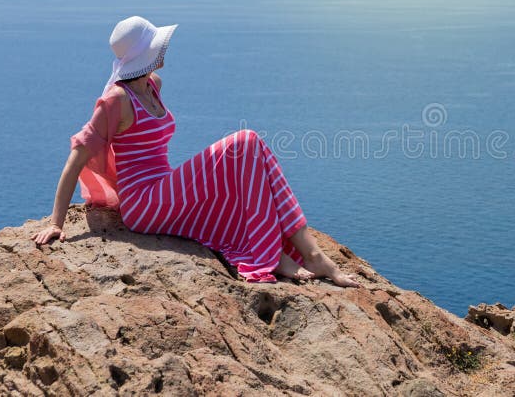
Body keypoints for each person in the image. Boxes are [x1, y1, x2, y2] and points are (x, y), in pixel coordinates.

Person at [31, 16, 359, 288]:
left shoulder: (152, 84)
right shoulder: (116, 101)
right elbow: (76, 158)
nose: (164, 49)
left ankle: (296, 253)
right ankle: (293, 256)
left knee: (247, 159)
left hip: (164, 187)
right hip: (144, 205)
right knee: (245, 142)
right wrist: (56, 222)